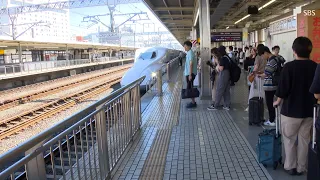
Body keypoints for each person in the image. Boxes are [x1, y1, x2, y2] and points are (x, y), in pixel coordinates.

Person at [273, 37, 317, 175]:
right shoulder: (315, 66)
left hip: (291, 110)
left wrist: (277, 101)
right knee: (305, 140)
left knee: (290, 139)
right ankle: (301, 167)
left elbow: (283, 89)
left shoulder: (289, 67)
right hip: (309, 110)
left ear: (294, 51)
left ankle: (290, 166)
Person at [258, 46, 280, 126]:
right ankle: (272, 119)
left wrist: (260, 75)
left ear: (266, 52)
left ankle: (271, 120)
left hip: (270, 86)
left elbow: (268, 73)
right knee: (271, 103)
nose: (262, 57)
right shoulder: (275, 59)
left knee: (270, 103)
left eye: (262, 55)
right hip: (273, 85)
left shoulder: (272, 61)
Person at [207, 46, 231, 110]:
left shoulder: (223, 58)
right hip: (228, 74)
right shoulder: (227, 57)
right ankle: (227, 105)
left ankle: (215, 105)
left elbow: (221, 68)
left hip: (224, 74)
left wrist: (217, 67)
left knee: (219, 90)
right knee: (226, 90)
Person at [183, 41, 198, 108]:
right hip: (189, 73)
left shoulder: (190, 53)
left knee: (190, 88)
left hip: (190, 73)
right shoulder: (189, 53)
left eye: (185, 46)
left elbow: (191, 64)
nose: (184, 47)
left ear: (189, 46)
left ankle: (193, 102)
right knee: (190, 87)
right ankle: (193, 102)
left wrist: (190, 75)